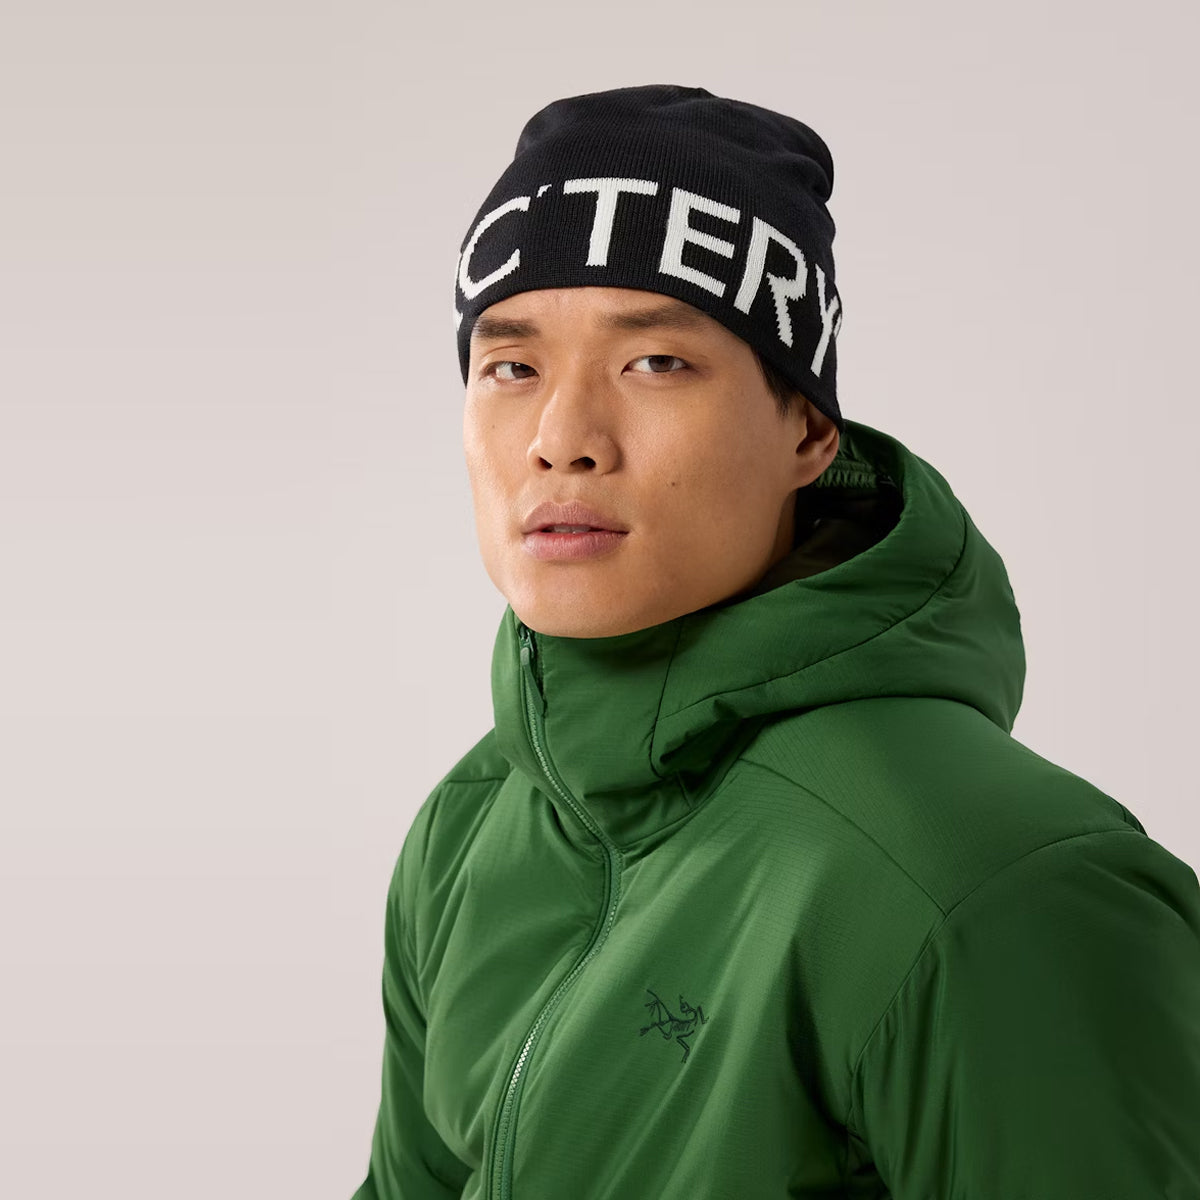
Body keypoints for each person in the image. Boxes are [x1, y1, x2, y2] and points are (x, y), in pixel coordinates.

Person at [351, 84, 1200, 1199]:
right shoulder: (472, 827)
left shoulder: (992, 883)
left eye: (655, 362)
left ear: (806, 426)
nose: (561, 439)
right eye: (512, 366)